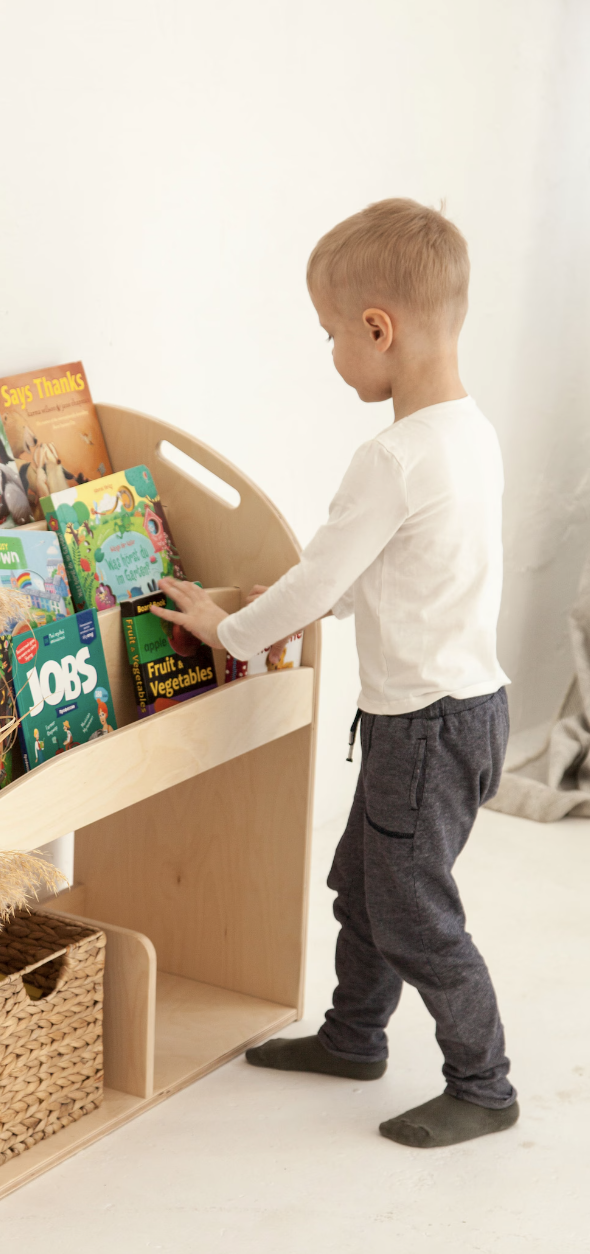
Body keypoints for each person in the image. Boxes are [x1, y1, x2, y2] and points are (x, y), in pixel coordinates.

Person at [152, 198, 518, 1149]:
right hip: (468, 714)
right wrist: (254, 598)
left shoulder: (390, 456)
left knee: (413, 913)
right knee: (364, 884)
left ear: (376, 330)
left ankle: (484, 1085)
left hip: (423, 728)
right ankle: (354, 1038)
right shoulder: (468, 436)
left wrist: (230, 630)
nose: (327, 353)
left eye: (327, 334)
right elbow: (380, 578)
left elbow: (319, 582)